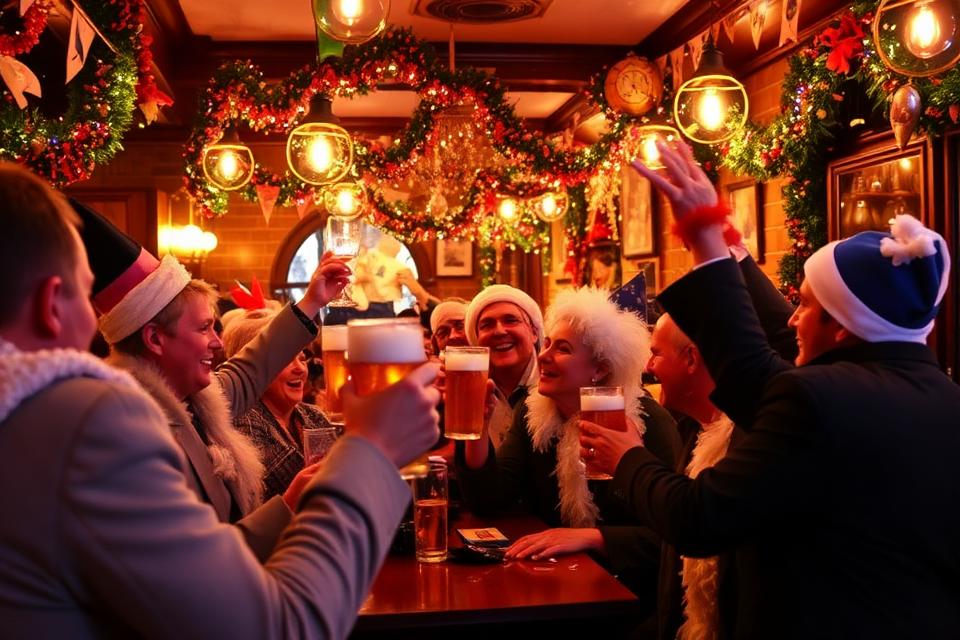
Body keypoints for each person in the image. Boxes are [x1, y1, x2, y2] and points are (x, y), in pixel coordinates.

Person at [0, 162, 441, 637]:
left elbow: (247, 371)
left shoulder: (46, 418)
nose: (94, 324)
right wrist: (371, 453)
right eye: (86, 297)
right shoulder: (94, 420)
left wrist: (310, 303)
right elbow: (277, 628)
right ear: (51, 304)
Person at [581, 140, 960, 637]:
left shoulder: (817, 399)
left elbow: (699, 519)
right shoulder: (941, 395)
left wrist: (628, 457)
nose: (793, 319)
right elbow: (754, 365)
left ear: (843, 328)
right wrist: (713, 239)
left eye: (802, 304)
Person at [457, 287, 679, 630]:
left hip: (634, 603)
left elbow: (677, 533)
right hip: (559, 588)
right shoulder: (535, 413)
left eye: (562, 349)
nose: (543, 356)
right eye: (548, 344)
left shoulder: (643, 419)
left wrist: (594, 537)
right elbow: (490, 498)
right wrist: (477, 427)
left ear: (600, 369)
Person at [222, 308, 336, 501]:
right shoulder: (243, 424)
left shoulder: (313, 415)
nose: (300, 368)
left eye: (301, 357)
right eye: (286, 359)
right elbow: (304, 486)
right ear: (254, 368)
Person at [464, 285, 544, 449]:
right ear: (476, 340)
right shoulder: (468, 392)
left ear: (534, 332)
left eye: (511, 320)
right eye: (487, 324)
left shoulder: (557, 383)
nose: (499, 331)